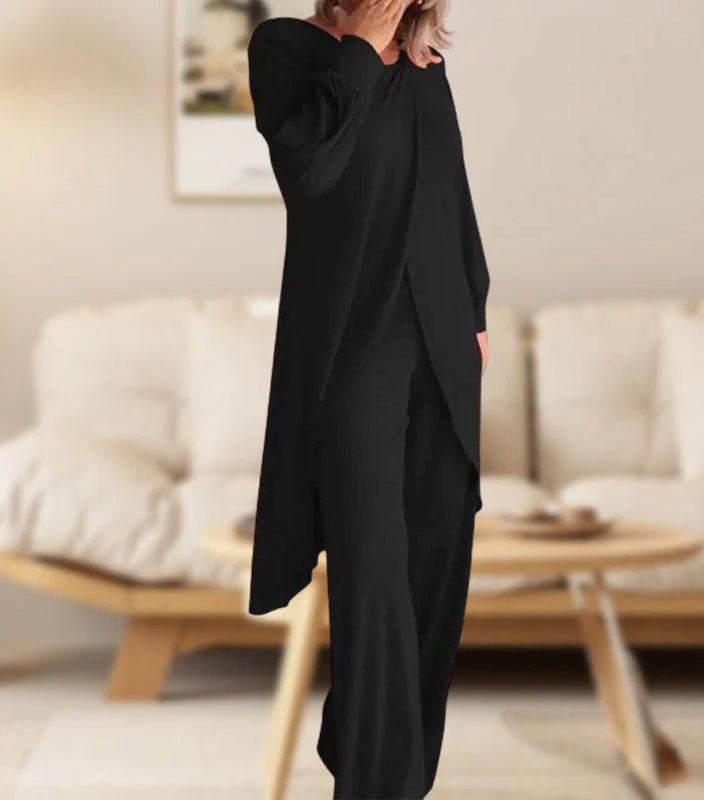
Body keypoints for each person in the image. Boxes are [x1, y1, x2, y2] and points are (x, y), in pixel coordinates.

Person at [247, 0, 490, 796]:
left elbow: (451, 195)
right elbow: (310, 172)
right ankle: (375, 780)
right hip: (355, 349)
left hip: (443, 343)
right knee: (374, 572)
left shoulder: (427, 69)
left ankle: (384, 765)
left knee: (435, 567)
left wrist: (476, 310)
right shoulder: (287, 49)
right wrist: (361, 46)